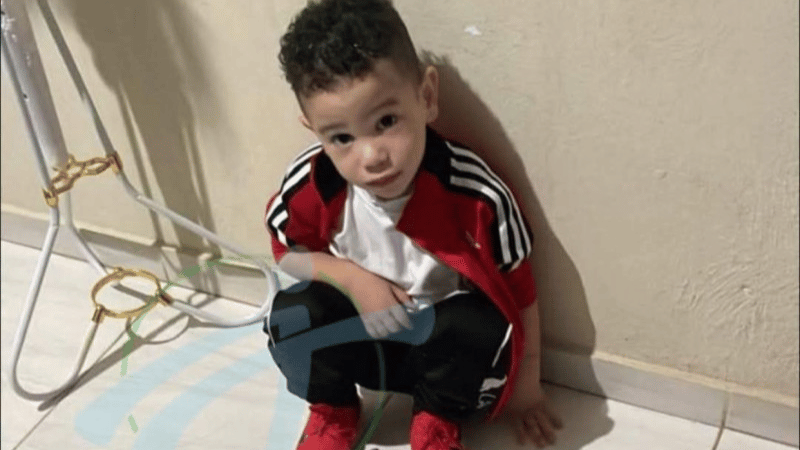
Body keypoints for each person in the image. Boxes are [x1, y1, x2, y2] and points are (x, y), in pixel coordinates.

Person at [262, 0, 562, 448]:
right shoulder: (311, 185)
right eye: (341, 137)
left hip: (444, 357)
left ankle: (436, 420)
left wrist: (527, 390)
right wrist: (351, 278)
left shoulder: (477, 196)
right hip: (365, 340)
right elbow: (286, 253)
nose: (372, 157)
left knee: (475, 324)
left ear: (426, 97)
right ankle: (334, 410)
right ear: (314, 130)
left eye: (386, 121)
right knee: (292, 313)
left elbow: (520, 294)